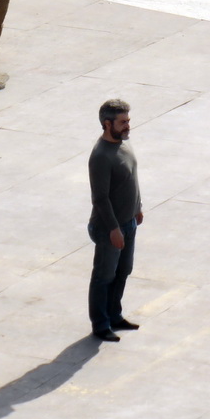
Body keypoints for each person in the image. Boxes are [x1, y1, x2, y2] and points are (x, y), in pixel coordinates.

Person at [87, 98, 145, 342]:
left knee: (123, 270)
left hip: (128, 222)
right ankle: (100, 324)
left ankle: (115, 315)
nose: (127, 126)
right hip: (110, 227)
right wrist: (113, 229)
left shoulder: (124, 145)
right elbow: (100, 199)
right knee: (104, 276)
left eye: (128, 121)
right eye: (122, 122)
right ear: (107, 124)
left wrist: (138, 207)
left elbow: (132, 177)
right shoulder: (101, 156)